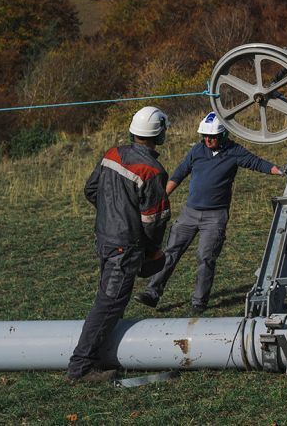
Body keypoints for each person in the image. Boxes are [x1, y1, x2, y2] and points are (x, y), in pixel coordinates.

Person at [134, 111, 282, 315]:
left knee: (206, 258)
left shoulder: (234, 151)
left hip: (215, 217)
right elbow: (179, 173)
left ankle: (199, 302)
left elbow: (258, 163)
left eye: (212, 136)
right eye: (204, 135)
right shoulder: (197, 150)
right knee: (170, 252)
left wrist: (281, 171)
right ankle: (152, 292)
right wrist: (161, 197)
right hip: (189, 213)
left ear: (223, 136)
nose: (208, 139)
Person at [67, 105, 171, 383]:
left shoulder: (112, 154)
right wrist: (151, 252)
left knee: (110, 299)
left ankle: (101, 354)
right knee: (109, 303)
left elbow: (91, 190)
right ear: (159, 134)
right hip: (126, 248)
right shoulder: (152, 170)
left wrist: (110, 216)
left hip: (104, 238)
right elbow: (154, 220)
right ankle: (81, 367)